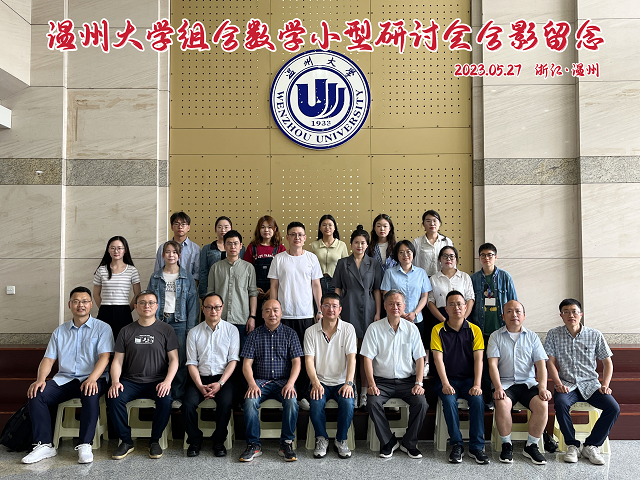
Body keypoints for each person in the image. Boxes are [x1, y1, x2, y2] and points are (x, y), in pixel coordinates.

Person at [21, 287, 114, 465]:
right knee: (37, 394)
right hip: (65, 379)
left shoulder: (103, 328)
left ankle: (85, 444)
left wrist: (92, 378)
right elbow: (48, 359)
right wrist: (40, 380)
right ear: (70, 305)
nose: (81, 305)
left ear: (91, 304)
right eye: (76, 301)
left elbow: (105, 357)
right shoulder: (60, 331)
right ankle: (44, 445)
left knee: (91, 392)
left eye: (85, 301)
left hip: (94, 378)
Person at [545, 298, 620, 465]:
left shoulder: (595, 334)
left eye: (574, 312)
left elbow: (607, 362)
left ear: (581, 314)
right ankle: (572, 445)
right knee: (561, 404)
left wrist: (605, 385)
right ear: (561, 315)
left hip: (591, 385)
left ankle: (592, 445)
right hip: (567, 384)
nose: (571, 315)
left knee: (613, 407)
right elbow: (550, 362)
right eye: (566, 312)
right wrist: (558, 383)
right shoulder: (553, 334)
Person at [108, 291, 179, 461]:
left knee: (165, 400)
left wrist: (167, 382)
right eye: (142, 302)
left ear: (157, 306)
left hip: (157, 381)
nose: (147, 306)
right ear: (135, 306)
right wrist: (115, 381)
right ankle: (126, 441)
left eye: (151, 302)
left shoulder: (166, 329)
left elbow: (174, 360)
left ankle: (154, 440)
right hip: (130, 381)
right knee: (114, 397)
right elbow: (117, 361)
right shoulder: (126, 331)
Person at [361, 290, 428, 459]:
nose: (395, 307)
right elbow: (367, 358)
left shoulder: (412, 329)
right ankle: (388, 441)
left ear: (404, 306)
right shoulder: (374, 328)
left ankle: (409, 442)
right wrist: (371, 384)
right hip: (382, 381)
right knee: (372, 402)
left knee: (421, 403)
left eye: (398, 304)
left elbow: (420, 358)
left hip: (407, 381)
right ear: (384, 306)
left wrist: (418, 383)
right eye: (391, 303)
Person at [238, 299, 303, 463]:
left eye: (275, 310)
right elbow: (246, 364)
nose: (272, 314)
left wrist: (291, 383)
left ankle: (286, 443)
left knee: (292, 401)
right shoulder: (254, 335)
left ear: (281, 312)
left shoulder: (290, 334)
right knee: (250, 401)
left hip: (284, 382)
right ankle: (253, 444)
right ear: (262, 314)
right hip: (260, 382)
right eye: (267, 310)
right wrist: (252, 384)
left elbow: (297, 362)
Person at [487, 300, 551, 465]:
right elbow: (492, 364)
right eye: (509, 311)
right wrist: (498, 387)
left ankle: (531, 445)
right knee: (502, 403)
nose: (514, 315)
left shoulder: (532, 337)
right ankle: (506, 444)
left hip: (528, 384)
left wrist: (542, 388)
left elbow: (541, 366)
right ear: (503, 316)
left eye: (517, 311)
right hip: (505, 384)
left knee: (542, 404)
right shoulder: (495, 336)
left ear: (523, 316)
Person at [268, 221, 323, 408]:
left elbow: (316, 286)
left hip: (306, 315)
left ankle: (304, 395)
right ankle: (286, 392)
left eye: (300, 234)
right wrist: (274, 310)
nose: (297, 237)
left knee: (306, 356)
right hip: (284, 316)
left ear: (305, 238)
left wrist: (319, 310)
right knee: (285, 356)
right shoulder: (279, 259)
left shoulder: (311, 258)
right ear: (287, 237)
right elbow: (274, 286)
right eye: (293, 234)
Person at [431, 291, 488, 464]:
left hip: (469, 380)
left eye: (459, 304)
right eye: (452, 304)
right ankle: (457, 444)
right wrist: (445, 383)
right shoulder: (437, 330)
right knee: (449, 401)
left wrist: (477, 384)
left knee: (478, 400)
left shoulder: (475, 330)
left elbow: (479, 360)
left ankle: (477, 447)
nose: (456, 307)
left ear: (465, 307)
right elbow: (438, 359)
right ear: (446, 308)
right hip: (447, 380)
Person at [183, 293, 239, 458]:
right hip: (199, 378)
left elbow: (233, 361)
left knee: (226, 403)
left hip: (223, 378)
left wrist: (220, 383)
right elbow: (191, 362)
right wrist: (200, 386)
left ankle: (218, 441)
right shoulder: (194, 332)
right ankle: (195, 440)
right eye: (209, 307)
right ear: (203, 309)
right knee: (187, 404)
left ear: (222, 308)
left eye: (217, 307)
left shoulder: (231, 330)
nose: (213, 310)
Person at [333, 225, 382, 408]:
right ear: (351, 244)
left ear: (367, 245)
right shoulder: (342, 263)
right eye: (356, 242)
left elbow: (376, 290)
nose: (359, 246)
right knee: (350, 353)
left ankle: (364, 391)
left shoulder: (374, 263)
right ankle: (351, 389)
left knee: (365, 354)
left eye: (362, 243)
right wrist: (336, 311)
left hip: (368, 309)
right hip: (348, 307)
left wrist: (378, 312)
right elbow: (337, 289)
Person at [304, 293, 357, 459]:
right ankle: (321, 439)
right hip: (320, 381)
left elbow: (352, 359)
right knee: (316, 403)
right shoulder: (311, 331)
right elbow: (308, 360)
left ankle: (341, 440)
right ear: (321, 308)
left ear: (340, 309)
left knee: (348, 403)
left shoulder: (348, 329)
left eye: (334, 306)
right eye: (327, 305)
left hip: (343, 381)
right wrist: (315, 382)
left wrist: (349, 383)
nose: (331, 309)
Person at [147, 240, 199, 407]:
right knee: (159, 357)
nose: (171, 255)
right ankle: (161, 393)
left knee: (180, 359)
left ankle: (177, 395)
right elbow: (149, 301)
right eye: (168, 252)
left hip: (180, 322)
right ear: (163, 255)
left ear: (179, 255)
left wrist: (190, 328)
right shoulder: (155, 277)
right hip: (160, 321)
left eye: (174, 252)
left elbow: (193, 304)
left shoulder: (186, 276)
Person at [469, 242, 518, 409]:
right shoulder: (474, 279)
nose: (486, 258)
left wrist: (514, 326)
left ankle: (507, 398)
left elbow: (513, 302)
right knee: (483, 365)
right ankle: (488, 398)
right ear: (479, 258)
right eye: (483, 255)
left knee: (502, 365)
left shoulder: (505, 277)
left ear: (495, 257)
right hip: (480, 329)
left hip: (501, 329)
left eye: (490, 255)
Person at [207, 230, 258, 351]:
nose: (232, 246)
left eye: (235, 243)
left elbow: (253, 294)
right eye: (229, 243)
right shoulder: (215, 268)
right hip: (220, 319)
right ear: (224, 246)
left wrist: (252, 317)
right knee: (220, 354)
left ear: (241, 246)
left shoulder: (249, 268)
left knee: (243, 354)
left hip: (242, 319)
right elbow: (210, 294)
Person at [381, 240, 432, 346]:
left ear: (413, 253)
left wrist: (415, 313)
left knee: (416, 349)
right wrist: (402, 314)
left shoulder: (421, 273)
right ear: (397, 255)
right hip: (395, 318)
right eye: (401, 252)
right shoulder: (389, 273)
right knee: (395, 348)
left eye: (408, 251)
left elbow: (424, 296)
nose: (405, 255)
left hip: (416, 319)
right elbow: (386, 295)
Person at [93, 235, 141, 341]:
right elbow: (96, 294)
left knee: (123, 342)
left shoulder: (132, 270)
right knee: (103, 342)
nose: (116, 251)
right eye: (113, 248)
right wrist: (103, 308)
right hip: (105, 310)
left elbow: (137, 294)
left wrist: (128, 310)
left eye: (119, 248)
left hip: (124, 311)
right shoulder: (101, 270)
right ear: (108, 250)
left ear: (125, 250)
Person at [243, 215, 286, 327]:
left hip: (274, 291)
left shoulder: (280, 248)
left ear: (275, 229)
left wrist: (273, 290)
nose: (266, 230)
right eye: (263, 227)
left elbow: (284, 273)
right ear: (258, 229)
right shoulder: (252, 248)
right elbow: (246, 271)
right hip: (255, 292)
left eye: (269, 227)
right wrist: (254, 288)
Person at [199, 216, 246, 299]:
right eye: (219, 227)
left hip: (235, 290)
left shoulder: (240, 249)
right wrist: (203, 293)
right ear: (215, 229)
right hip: (213, 287)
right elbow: (203, 272)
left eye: (226, 227)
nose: (223, 230)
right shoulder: (207, 248)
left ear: (231, 228)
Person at [427, 246, 474, 323]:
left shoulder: (465, 277)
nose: (448, 259)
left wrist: (463, 319)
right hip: (440, 317)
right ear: (440, 259)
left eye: (451, 256)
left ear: (456, 259)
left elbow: (470, 299)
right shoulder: (433, 279)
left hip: (462, 315)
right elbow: (430, 302)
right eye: (445, 256)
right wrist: (443, 320)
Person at [307, 214, 349, 296]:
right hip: (318, 281)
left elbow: (345, 266)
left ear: (334, 227)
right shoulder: (313, 245)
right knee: (319, 303)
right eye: (324, 225)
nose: (327, 227)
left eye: (330, 225)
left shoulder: (341, 245)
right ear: (320, 228)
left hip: (336, 282)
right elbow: (309, 265)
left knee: (335, 303)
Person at [155, 211, 201, 284]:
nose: (180, 227)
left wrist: (190, 287)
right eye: (176, 224)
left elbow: (197, 274)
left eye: (183, 224)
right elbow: (157, 271)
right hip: (166, 286)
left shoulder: (195, 249)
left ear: (188, 227)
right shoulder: (162, 248)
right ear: (172, 227)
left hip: (188, 287)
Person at [412, 210, 453, 277]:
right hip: (423, 279)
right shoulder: (417, 242)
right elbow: (413, 264)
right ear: (423, 224)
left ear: (439, 223)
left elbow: (452, 263)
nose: (432, 223)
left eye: (435, 220)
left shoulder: (447, 242)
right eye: (428, 221)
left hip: (442, 279)